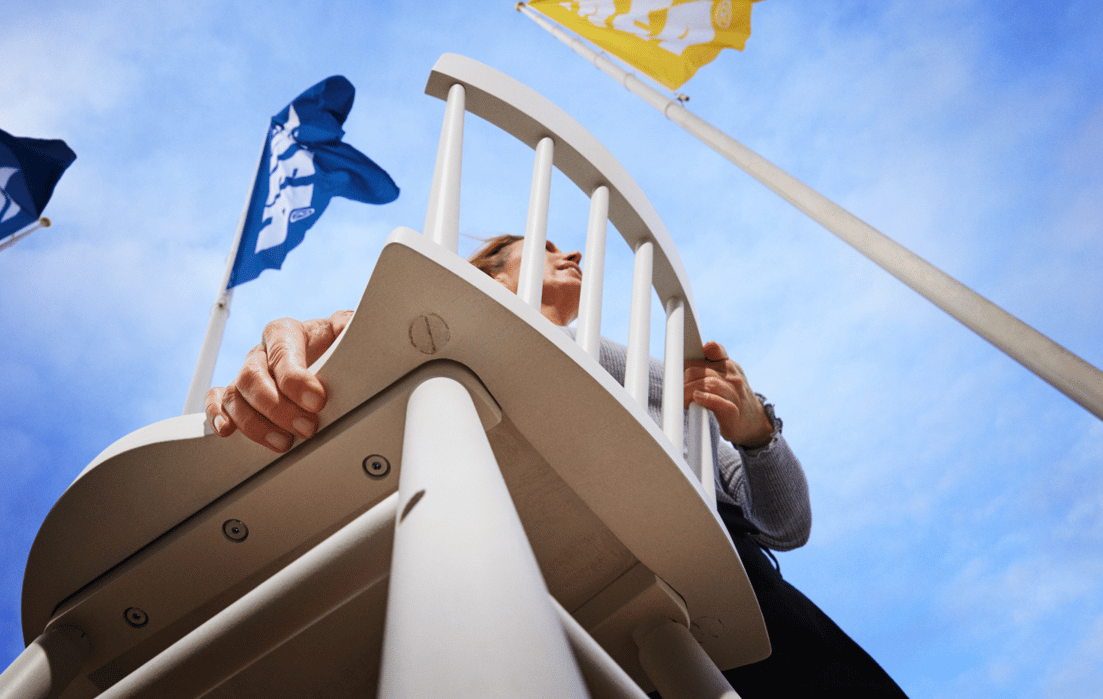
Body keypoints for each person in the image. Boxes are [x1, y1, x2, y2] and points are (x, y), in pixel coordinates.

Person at [204, 235, 907, 698]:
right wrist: (309, 332)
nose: (570, 249)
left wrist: (757, 433)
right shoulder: (433, 330)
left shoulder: (643, 387)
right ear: (485, 272)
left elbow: (787, 524)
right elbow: (347, 332)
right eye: (539, 245)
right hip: (516, 606)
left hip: (730, 604)